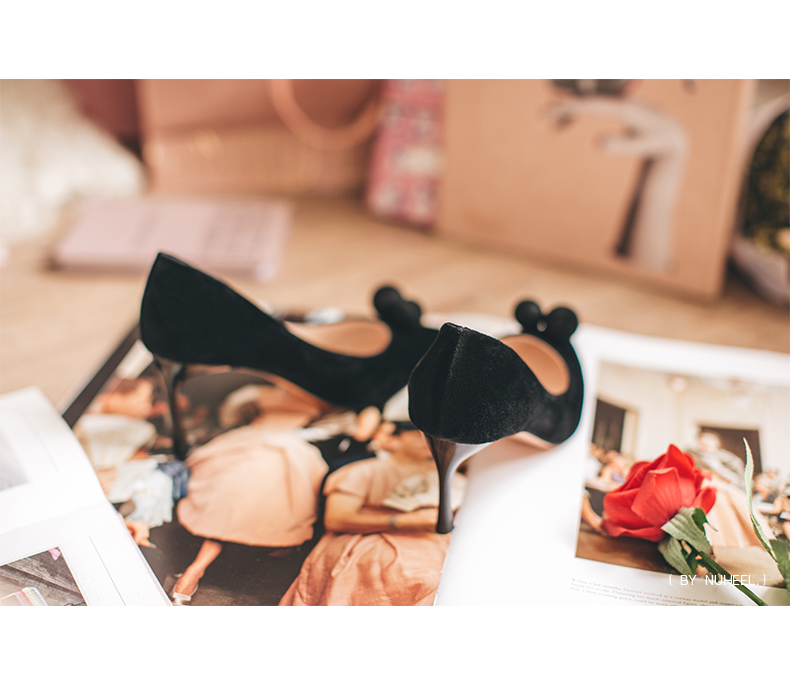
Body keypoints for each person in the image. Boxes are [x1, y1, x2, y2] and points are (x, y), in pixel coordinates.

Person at [169, 383, 332, 604]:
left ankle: (195, 570)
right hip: (281, 446)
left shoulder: (268, 391)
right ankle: (195, 570)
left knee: (233, 503)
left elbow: (230, 411)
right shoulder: (318, 398)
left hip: (255, 441)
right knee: (250, 501)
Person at [279, 421, 466, 606]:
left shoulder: (455, 480)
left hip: (434, 549)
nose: (430, 442)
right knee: (416, 580)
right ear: (393, 439)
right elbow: (336, 519)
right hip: (371, 542)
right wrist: (405, 521)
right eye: (420, 436)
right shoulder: (362, 471)